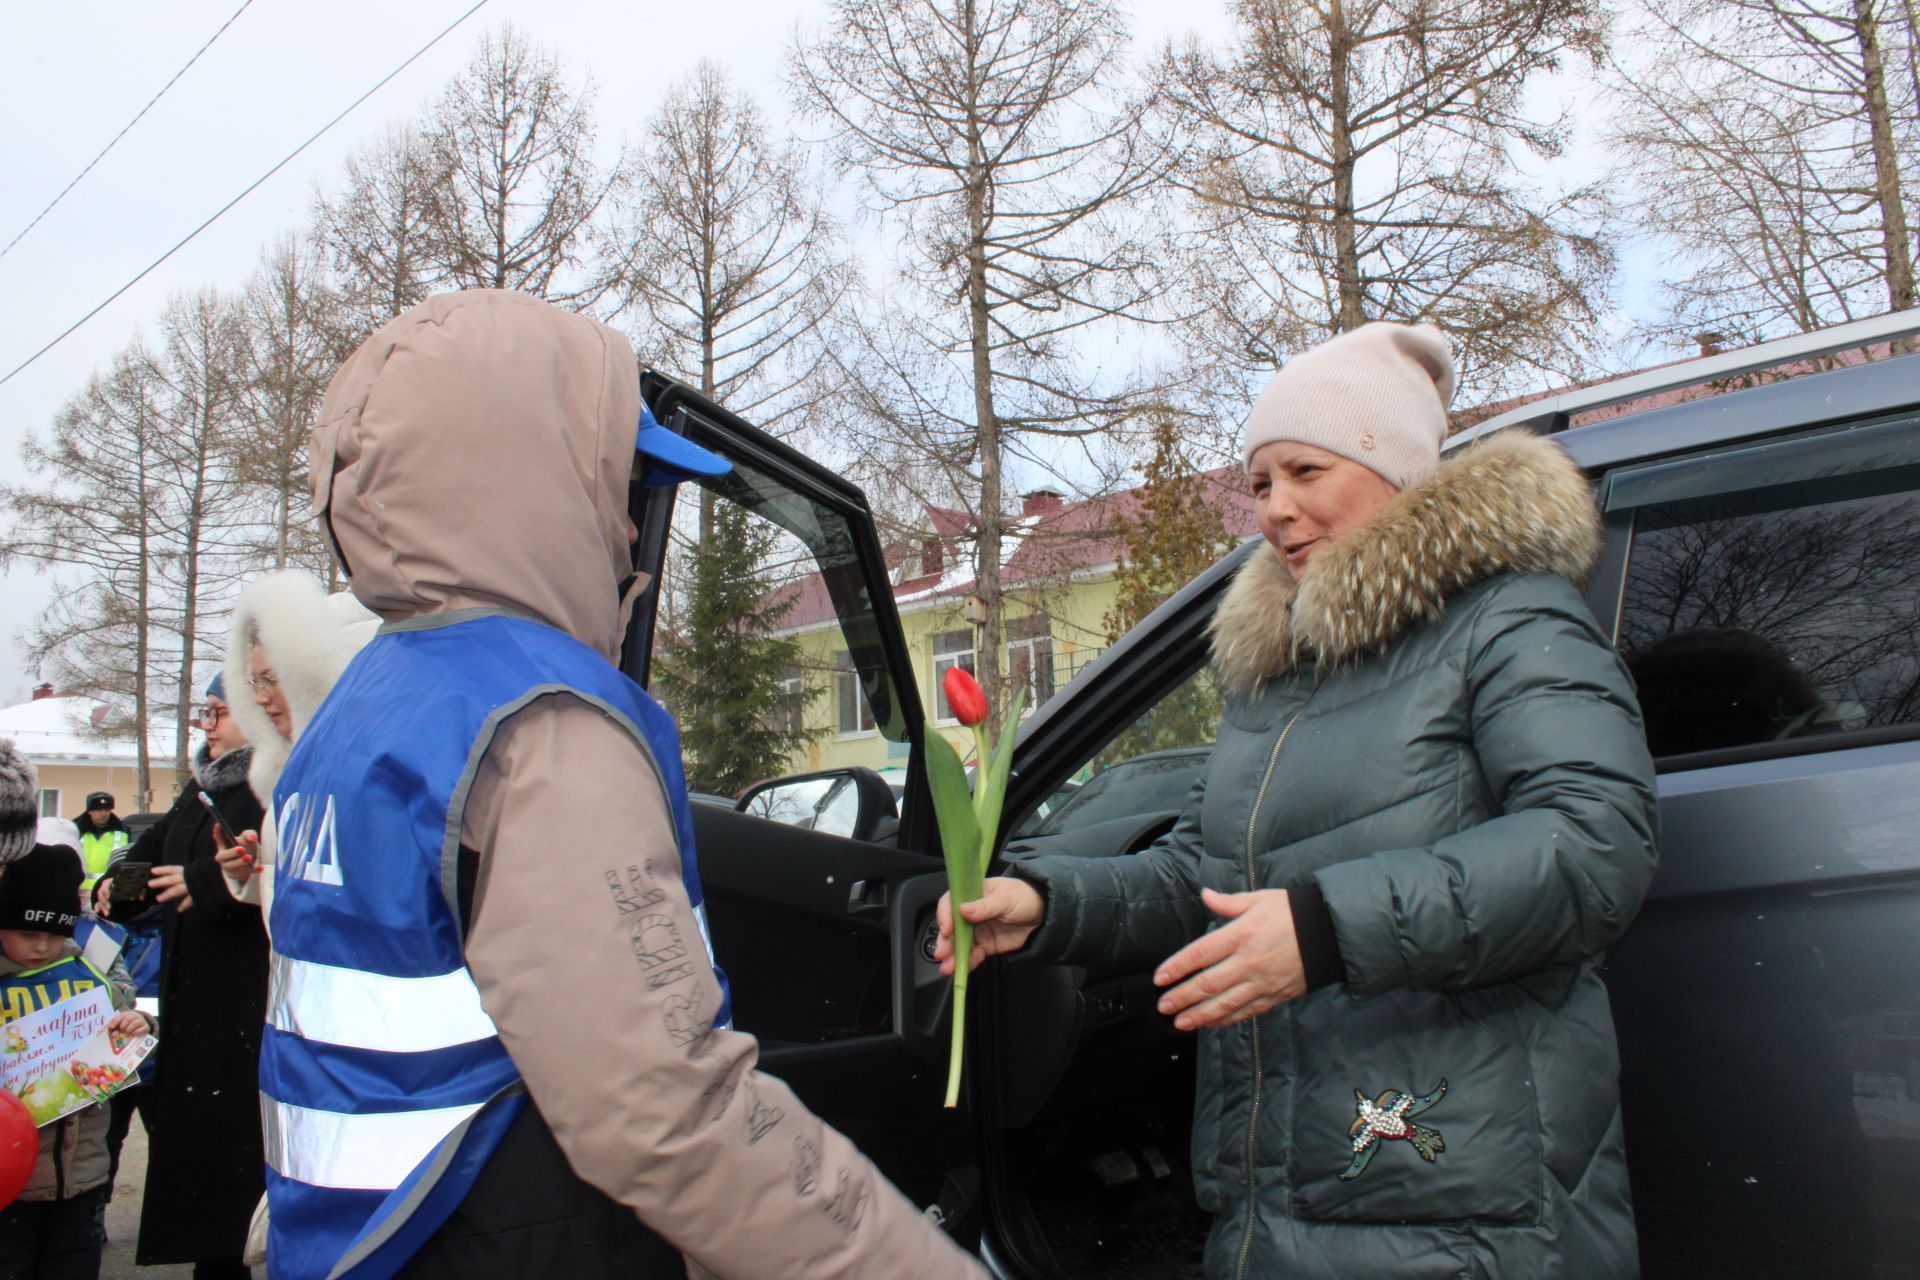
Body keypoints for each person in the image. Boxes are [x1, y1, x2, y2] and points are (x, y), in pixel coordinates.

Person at [266, 289, 984, 1280]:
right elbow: (672, 1112)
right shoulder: (540, 726)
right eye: (621, 486)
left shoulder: (355, 713)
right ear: (535, 480)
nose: (633, 534)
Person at [940, 322, 1661, 1278]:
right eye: (1261, 483)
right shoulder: (1277, 673)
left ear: (1395, 467)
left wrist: (1326, 931)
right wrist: (1051, 903)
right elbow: (1208, 876)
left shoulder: (1509, 618)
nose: (1278, 511)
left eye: (1308, 472)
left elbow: (1593, 847)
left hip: (1458, 1193)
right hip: (1280, 1190)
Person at [96, 677, 265, 1279]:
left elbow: (256, 876)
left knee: (231, 1164)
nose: (206, 724)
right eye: (205, 712)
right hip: (189, 998)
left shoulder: (270, 786)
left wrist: (209, 884)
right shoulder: (204, 786)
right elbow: (151, 850)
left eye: (219, 712)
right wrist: (115, 890)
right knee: (200, 1156)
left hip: (245, 1004)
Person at [0, 742, 151, 1280]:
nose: (41, 947)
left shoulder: (90, 966)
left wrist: (137, 1025)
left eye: (53, 934)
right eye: (26, 934)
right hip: (11, 1179)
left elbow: (124, 1012)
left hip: (81, 1173)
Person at [69, 797, 126, 900]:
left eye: (107, 810)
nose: (103, 814)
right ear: (90, 811)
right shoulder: (76, 831)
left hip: (110, 891)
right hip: (81, 891)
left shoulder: (122, 832)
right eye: (99, 810)